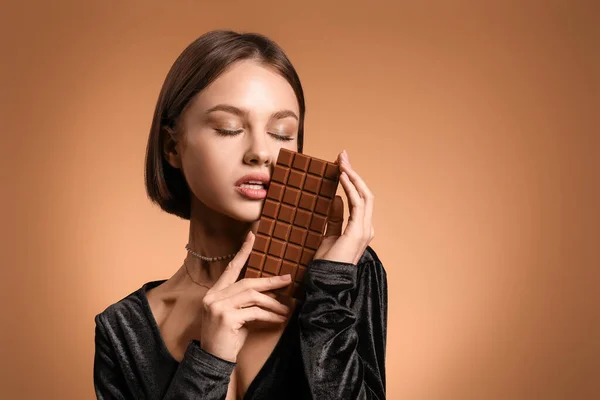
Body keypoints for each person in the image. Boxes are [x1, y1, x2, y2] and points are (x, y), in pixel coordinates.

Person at [93, 29, 388, 400]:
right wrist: (210, 360)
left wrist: (329, 290)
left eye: (282, 133)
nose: (261, 152)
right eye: (229, 128)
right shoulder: (124, 331)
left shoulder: (345, 273)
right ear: (172, 147)